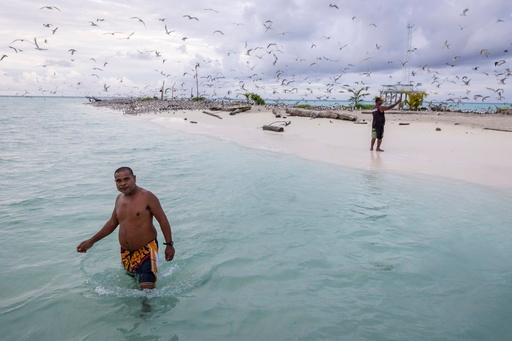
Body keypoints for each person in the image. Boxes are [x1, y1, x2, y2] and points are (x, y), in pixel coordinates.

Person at [76, 167, 175, 289]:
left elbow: (163, 220)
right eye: (119, 180)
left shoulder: (147, 197)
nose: (123, 183)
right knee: (134, 286)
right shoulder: (119, 199)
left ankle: (148, 308)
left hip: (147, 250)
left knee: (147, 292)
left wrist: (169, 245)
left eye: (126, 179)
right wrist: (91, 241)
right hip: (126, 253)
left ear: (134, 178)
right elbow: (112, 223)